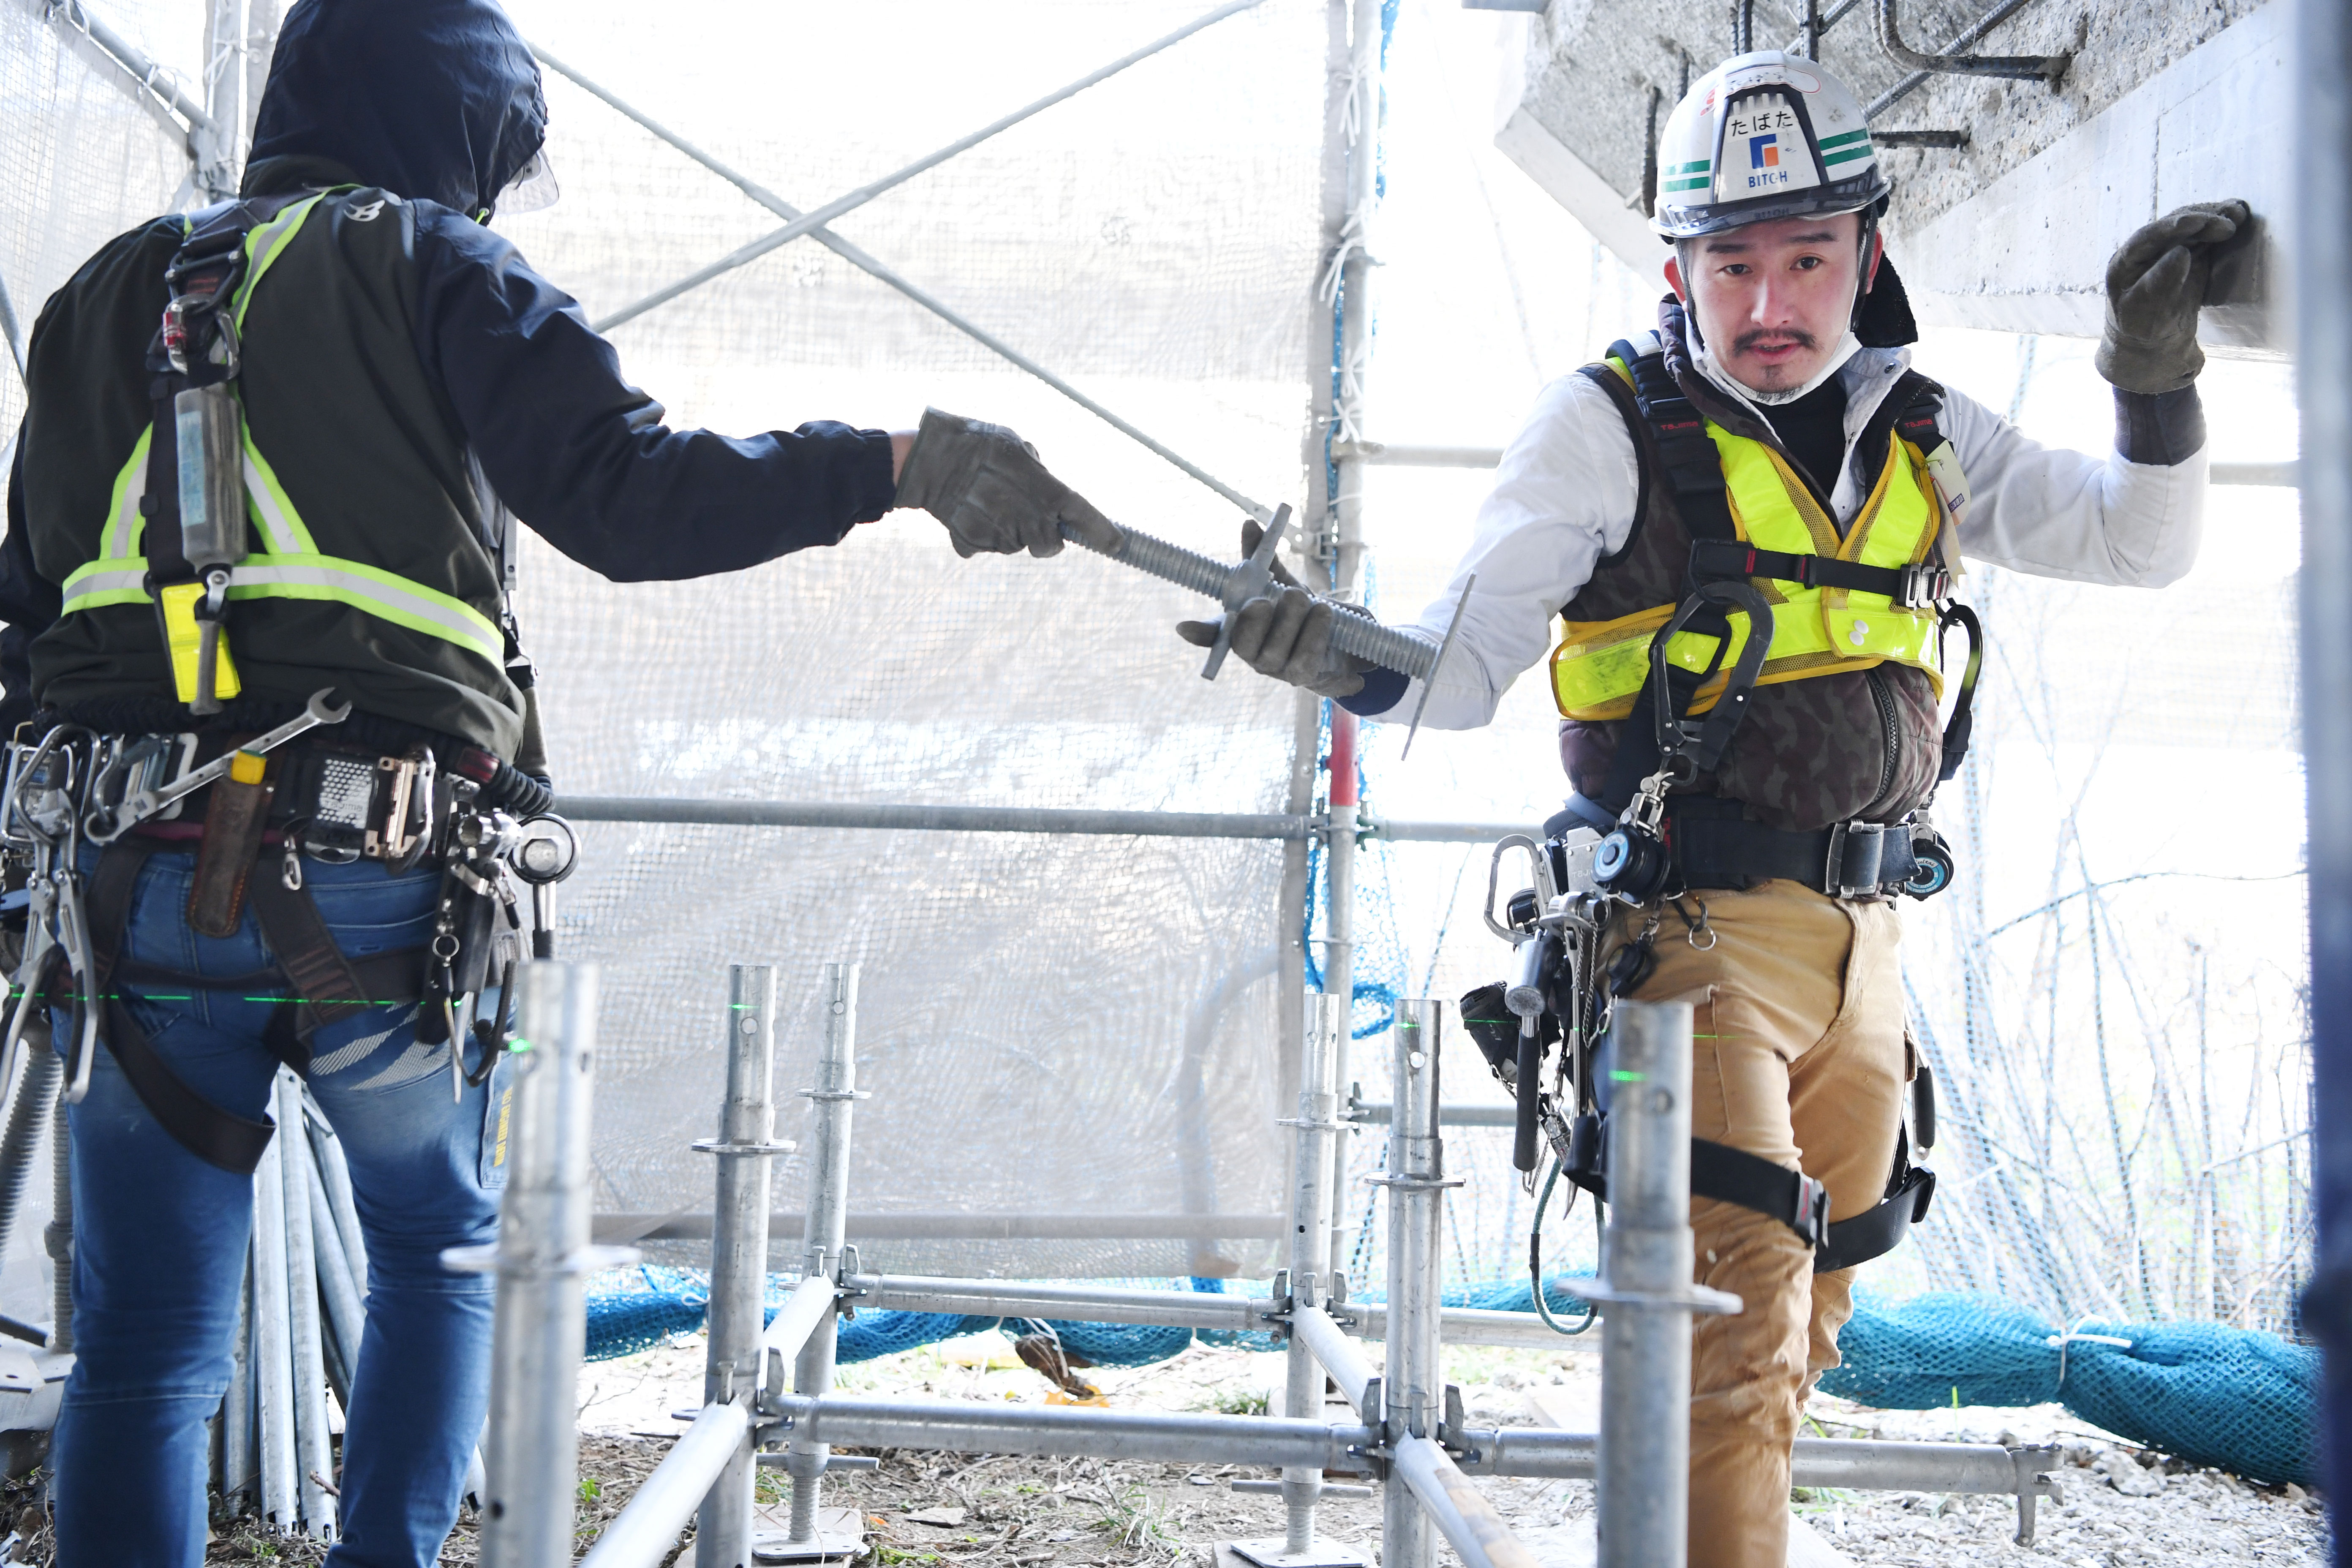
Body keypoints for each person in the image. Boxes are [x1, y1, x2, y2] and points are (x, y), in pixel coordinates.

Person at [0, 1, 1109, 1563]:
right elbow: (629, 499)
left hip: (135, 892)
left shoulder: (99, 294)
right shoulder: (438, 265)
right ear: (454, 122)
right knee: (442, 1259)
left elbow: (26, 612)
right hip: (378, 886)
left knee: (145, 1348)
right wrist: (892, 464)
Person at [1184, 50, 2244, 1568]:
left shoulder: (1925, 430)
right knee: (1738, 1324)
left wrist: (2157, 379)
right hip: (1686, 947)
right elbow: (1454, 673)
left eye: (1806, 258)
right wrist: (1330, 649)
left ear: (1866, 256)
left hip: (1867, 953)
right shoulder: (1604, 427)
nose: (1768, 303)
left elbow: (2144, 546)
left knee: (1798, 1330)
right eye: (1730, 262)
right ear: (1676, 268)